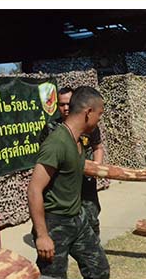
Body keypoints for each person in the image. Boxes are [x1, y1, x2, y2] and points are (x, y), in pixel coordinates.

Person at [27, 86, 110, 279]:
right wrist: (42, 235)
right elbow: (34, 190)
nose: (99, 119)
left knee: (99, 271)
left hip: (77, 217)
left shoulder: (78, 140)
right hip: (55, 224)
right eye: (99, 114)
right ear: (88, 112)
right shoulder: (57, 143)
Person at [38, 86, 106, 239]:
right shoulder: (52, 130)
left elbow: (98, 147)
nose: (66, 108)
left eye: (69, 104)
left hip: (86, 182)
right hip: (65, 186)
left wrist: (96, 168)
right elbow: (46, 161)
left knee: (91, 218)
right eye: (62, 105)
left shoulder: (90, 126)